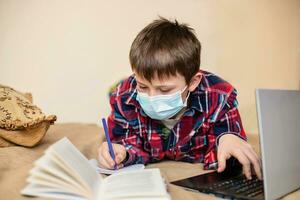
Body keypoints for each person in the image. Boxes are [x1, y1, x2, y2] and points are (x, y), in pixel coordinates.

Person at [98, 17, 262, 180]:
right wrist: (122, 153)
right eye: (143, 86)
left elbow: (228, 151)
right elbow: (131, 146)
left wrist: (228, 138)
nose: (152, 97)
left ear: (192, 82)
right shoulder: (123, 97)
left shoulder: (219, 97)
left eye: (164, 89)